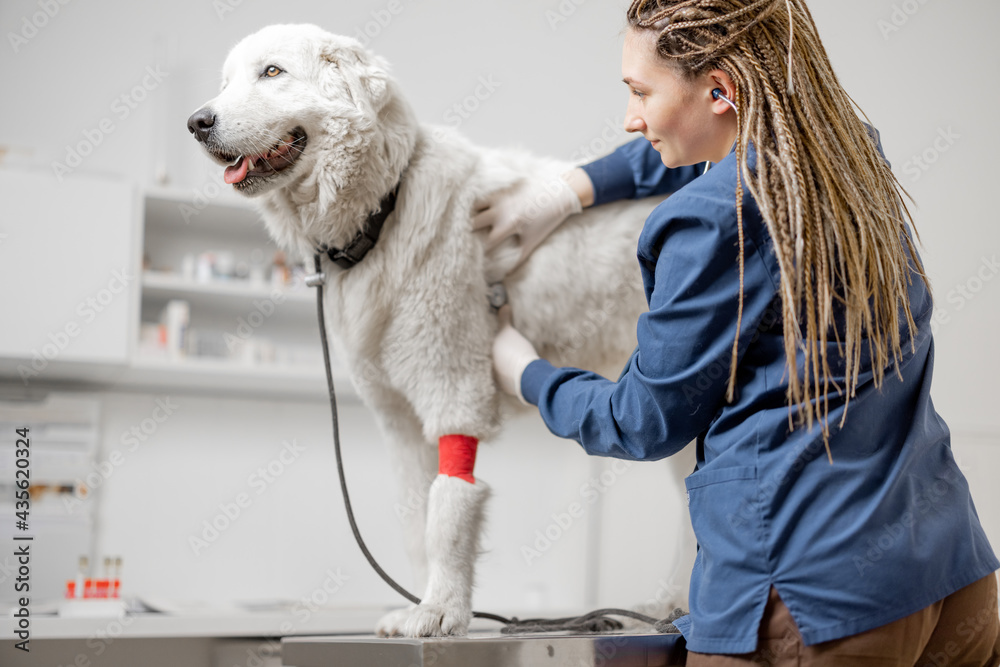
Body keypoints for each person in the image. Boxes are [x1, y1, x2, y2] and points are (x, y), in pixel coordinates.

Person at [477, 0, 1000, 664]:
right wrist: (574, 186)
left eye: (640, 92)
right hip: (950, 578)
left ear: (721, 90)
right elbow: (711, 142)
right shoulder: (849, 155)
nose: (631, 119)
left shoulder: (709, 220)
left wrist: (525, 370)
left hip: (812, 607)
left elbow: (640, 418)